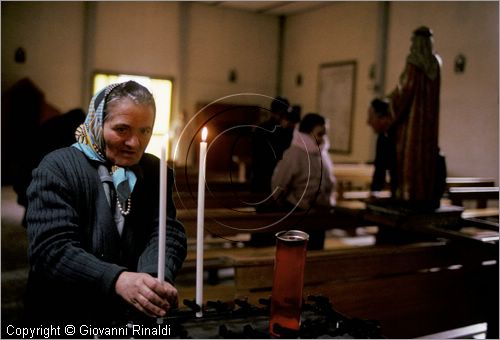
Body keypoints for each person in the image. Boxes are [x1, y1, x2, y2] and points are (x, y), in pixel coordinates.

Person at [24, 81, 187, 327]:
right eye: (122, 129)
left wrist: (152, 277)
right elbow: (51, 249)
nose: (135, 143)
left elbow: (165, 231)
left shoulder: (155, 171)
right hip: (66, 314)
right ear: (97, 123)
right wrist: (116, 279)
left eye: (145, 131)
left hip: (128, 316)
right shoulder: (57, 167)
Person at [388, 26, 442, 209]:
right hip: (429, 121)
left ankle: (408, 193)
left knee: (410, 155)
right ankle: (424, 192)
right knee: (425, 155)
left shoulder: (414, 62)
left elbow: (406, 91)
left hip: (413, 120)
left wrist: (390, 100)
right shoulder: (435, 63)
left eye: (413, 40)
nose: (411, 44)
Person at [270, 113, 337, 249]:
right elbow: (279, 184)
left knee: (316, 255)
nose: (323, 138)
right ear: (307, 134)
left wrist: (328, 200)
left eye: (325, 134)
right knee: (299, 254)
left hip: (319, 214)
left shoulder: (322, 153)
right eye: (319, 134)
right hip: (299, 214)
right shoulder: (294, 153)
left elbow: (329, 181)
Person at [250, 96, 294, 194]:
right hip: (264, 179)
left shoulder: (288, 130)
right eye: (282, 114)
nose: (285, 118)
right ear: (274, 113)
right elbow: (260, 156)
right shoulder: (262, 130)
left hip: (280, 179)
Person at [366, 98, 397, 198]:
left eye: (371, 117)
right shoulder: (382, 137)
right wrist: (374, 192)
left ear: (383, 118)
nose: (368, 122)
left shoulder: (399, 136)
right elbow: (380, 168)